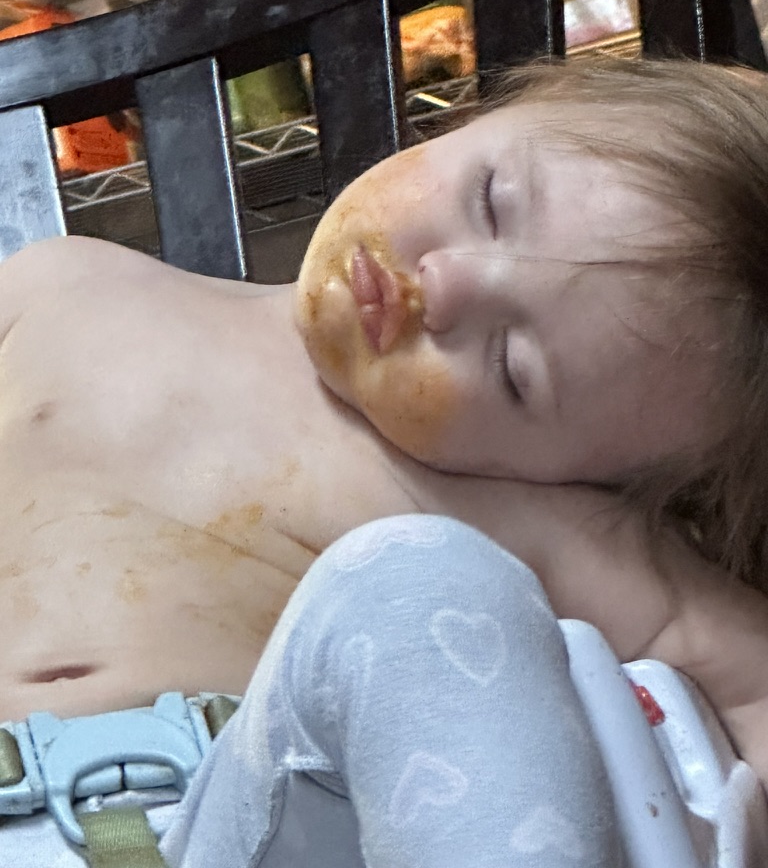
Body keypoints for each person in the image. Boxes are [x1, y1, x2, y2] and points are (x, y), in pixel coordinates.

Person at [3, 56, 768, 866]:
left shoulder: (516, 518)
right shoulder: (67, 283)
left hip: (222, 826)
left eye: (513, 368)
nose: (445, 282)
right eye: (492, 200)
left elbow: (753, 678)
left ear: (569, 470)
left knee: (424, 579)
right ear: (484, 113)